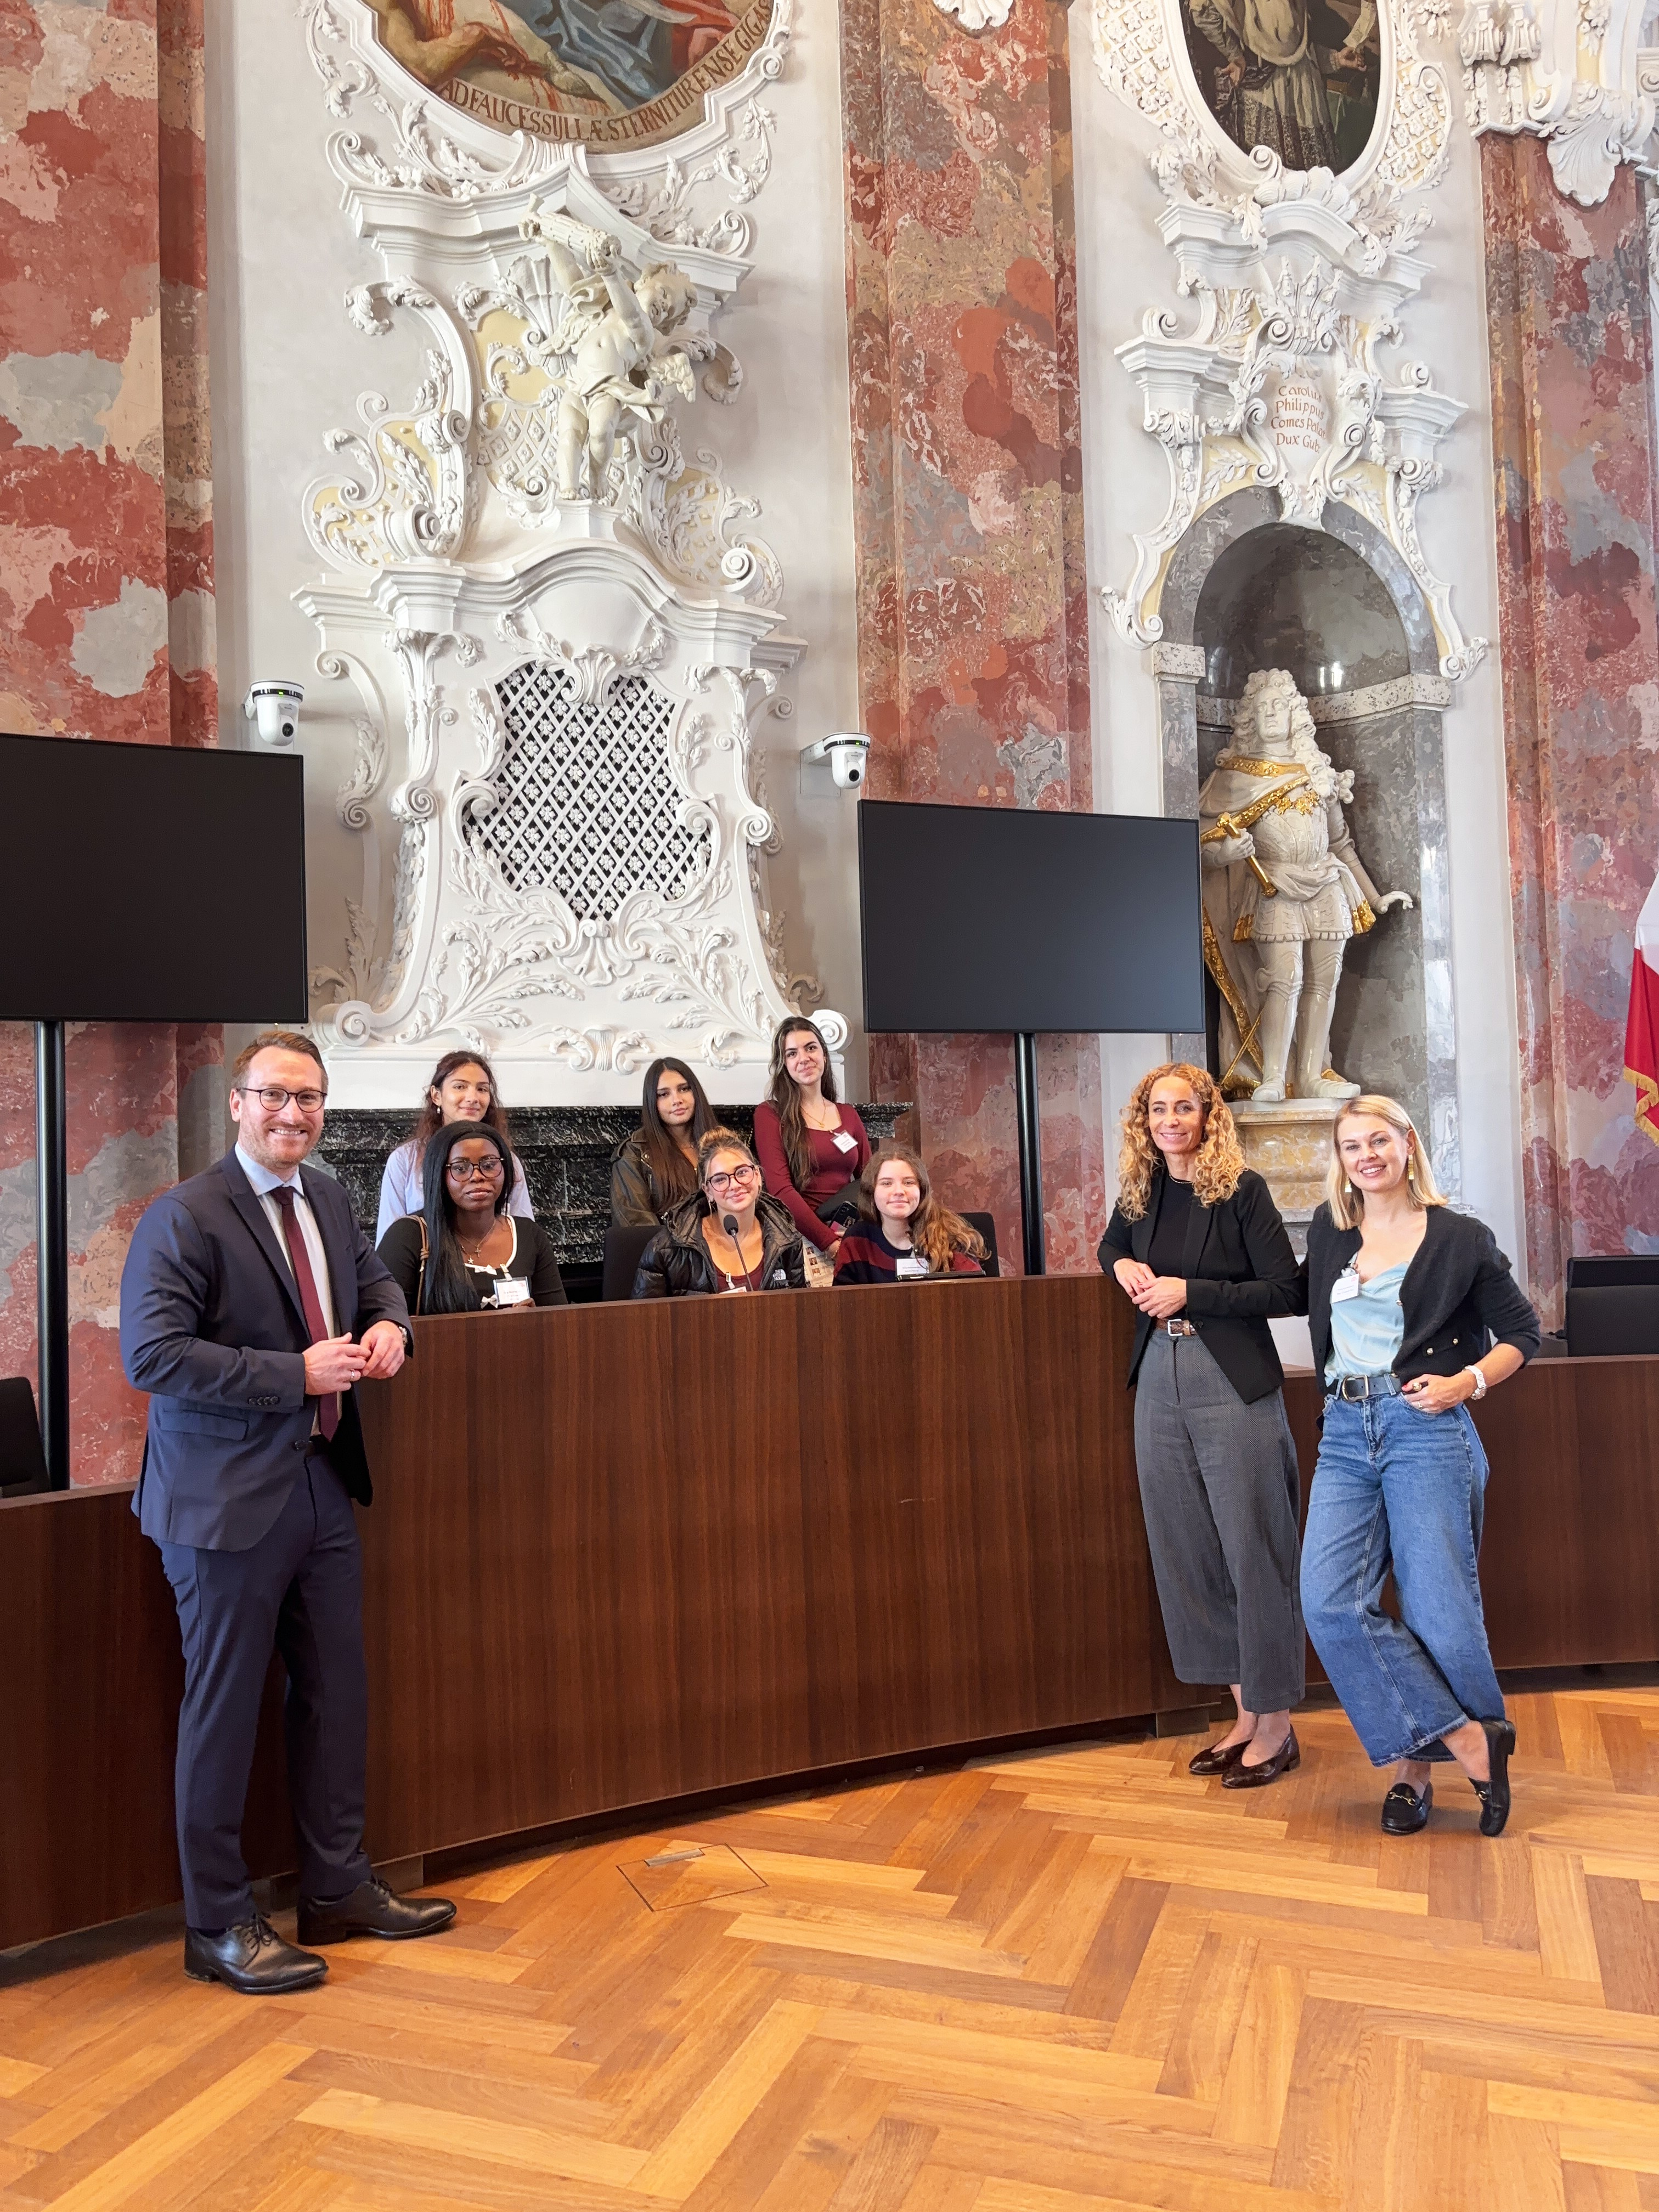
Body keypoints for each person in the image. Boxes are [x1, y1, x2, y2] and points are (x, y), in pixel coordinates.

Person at [119, 1031, 455, 1995]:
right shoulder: (182, 1216)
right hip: (220, 1502)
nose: (293, 1114)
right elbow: (152, 1357)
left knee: (336, 1694)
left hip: (319, 1482)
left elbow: (373, 1278)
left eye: (309, 1099)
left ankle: (337, 1886)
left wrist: (392, 1322)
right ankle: (216, 1921)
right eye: (274, 1096)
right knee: (225, 1711)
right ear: (238, 1103)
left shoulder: (332, 1195)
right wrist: (290, 1374)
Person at [1299, 1094, 1540, 1838]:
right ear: (1340, 1161)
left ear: (1407, 1145)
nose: (1366, 1155)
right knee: (1329, 1603)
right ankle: (1470, 1740)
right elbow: (1286, 1295)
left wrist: (1468, 1382)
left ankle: (1412, 1773)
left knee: (1438, 1610)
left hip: (1425, 1429)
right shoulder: (1331, 1234)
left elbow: (1523, 1333)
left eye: (1379, 1140)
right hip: (1344, 1429)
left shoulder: (1460, 1237)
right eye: (1350, 1146)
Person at [1098, 1063, 1306, 1788]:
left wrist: (1197, 1292)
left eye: (1184, 1108)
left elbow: (1288, 1289)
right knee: (1186, 1546)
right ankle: (1245, 1714)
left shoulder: (1241, 1192)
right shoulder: (1141, 1187)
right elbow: (1107, 1246)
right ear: (1144, 1119)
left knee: (1254, 1545)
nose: (1170, 1120)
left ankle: (1278, 1727)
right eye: (1159, 1109)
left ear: (1208, 1115)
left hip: (1231, 1380)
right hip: (1159, 1376)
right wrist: (1122, 1261)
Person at [379, 1122, 567, 1313]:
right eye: (461, 1168)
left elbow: (561, 1323)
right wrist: (499, 1325)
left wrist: (536, 1319)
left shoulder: (529, 1235)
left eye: (489, 1165)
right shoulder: (408, 1236)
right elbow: (386, 1324)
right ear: (439, 1174)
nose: (477, 1176)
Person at [376, 1050, 533, 1242]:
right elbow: (390, 1241)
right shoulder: (404, 1160)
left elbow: (523, 1235)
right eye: (460, 1087)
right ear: (436, 1095)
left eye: (482, 1089)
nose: (473, 1097)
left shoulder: (508, 1162)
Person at [633, 1128, 807, 1296]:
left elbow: (798, 1313)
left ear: (758, 1176)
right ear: (708, 1191)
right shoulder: (666, 1248)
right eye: (721, 1179)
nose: (735, 1185)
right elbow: (645, 1321)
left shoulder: (787, 1239)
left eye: (742, 1172)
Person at [753, 1017, 871, 1260]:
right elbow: (779, 1190)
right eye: (792, 1053)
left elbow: (871, 1181)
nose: (804, 1058)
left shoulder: (848, 1114)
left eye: (811, 1048)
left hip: (853, 1234)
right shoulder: (770, 1115)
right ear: (784, 1064)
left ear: (824, 1056)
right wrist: (827, 1242)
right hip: (803, 1239)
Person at [834, 1145, 986, 1284]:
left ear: (922, 1190)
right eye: (887, 1183)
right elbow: (842, 1307)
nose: (899, 1191)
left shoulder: (951, 1238)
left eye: (909, 1183)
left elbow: (974, 1300)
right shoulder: (856, 1241)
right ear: (871, 1192)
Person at [612, 1057, 718, 1227]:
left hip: (728, 1247)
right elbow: (638, 1228)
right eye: (664, 1094)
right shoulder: (634, 1154)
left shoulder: (722, 1143)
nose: (677, 1100)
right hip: (668, 1252)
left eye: (684, 1089)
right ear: (653, 1102)